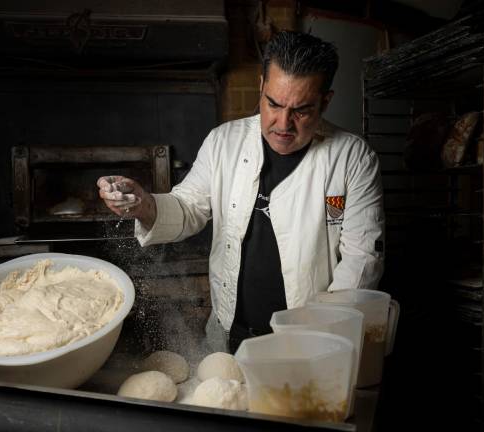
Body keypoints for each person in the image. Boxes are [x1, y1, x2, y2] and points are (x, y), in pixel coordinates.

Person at [97, 31, 384, 353]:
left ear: (325, 101)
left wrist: (327, 336)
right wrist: (145, 205)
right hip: (230, 328)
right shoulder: (224, 142)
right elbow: (189, 206)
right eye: (273, 103)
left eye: (301, 110)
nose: (283, 123)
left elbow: (362, 257)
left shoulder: (352, 157)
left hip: (311, 337)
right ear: (262, 86)